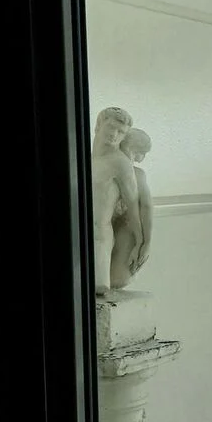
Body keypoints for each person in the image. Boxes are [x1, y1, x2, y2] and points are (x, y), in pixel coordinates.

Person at [91, 106, 141, 293]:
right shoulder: (82, 158)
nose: (114, 134)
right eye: (111, 127)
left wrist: (140, 243)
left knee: (97, 288)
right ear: (98, 125)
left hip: (99, 239)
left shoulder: (120, 163)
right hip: (76, 236)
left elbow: (133, 206)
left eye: (121, 132)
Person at [110, 128, 153, 288]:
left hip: (109, 227)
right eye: (143, 153)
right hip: (116, 227)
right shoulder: (137, 174)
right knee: (119, 279)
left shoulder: (103, 166)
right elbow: (146, 207)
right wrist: (146, 243)